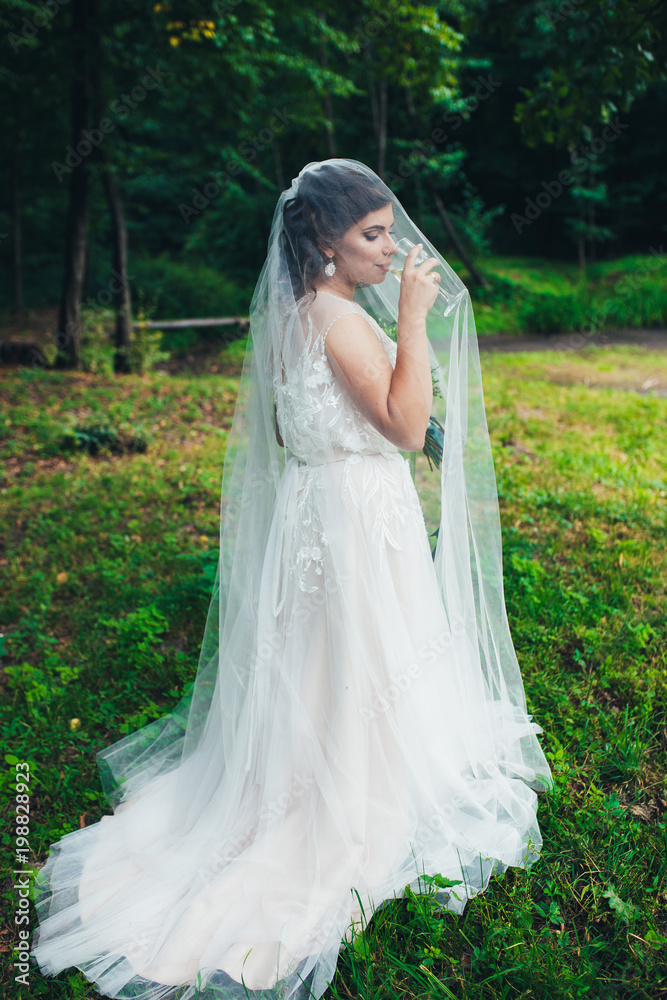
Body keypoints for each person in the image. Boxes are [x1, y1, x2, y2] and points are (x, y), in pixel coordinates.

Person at [30, 159, 552, 1000]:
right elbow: (403, 421)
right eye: (371, 236)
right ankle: (343, 798)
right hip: (352, 519)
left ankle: (312, 773)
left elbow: (294, 420)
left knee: (327, 659)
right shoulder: (340, 318)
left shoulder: (295, 314)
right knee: (361, 656)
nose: (391, 249)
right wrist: (411, 323)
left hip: (322, 508)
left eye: (389, 231)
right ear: (323, 244)